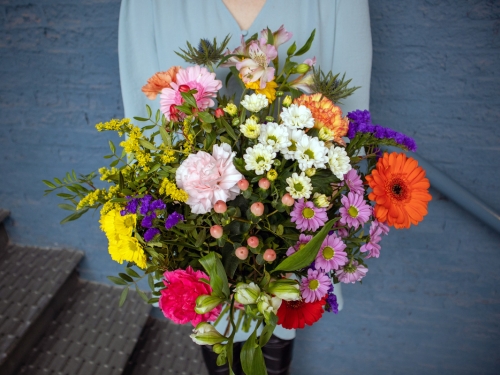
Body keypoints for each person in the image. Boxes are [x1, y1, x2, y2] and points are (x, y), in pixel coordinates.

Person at [118, 1, 372, 374]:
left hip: (293, 231)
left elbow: (347, 126)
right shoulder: (148, 8)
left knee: (276, 344)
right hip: (197, 232)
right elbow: (146, 134)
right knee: (218, 343)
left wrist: (322, 220)